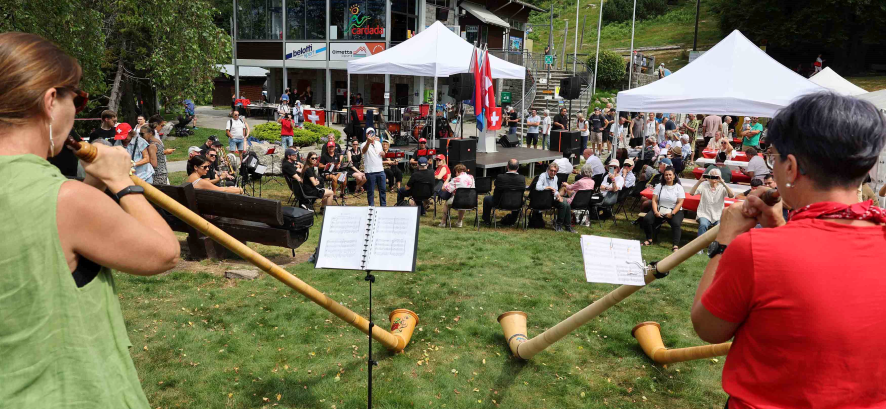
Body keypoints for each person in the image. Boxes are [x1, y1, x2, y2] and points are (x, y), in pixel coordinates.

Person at [0, 33, 180, 408]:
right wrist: (118, 181)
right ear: (51, 101)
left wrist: (91, 190)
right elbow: (163, 254)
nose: (79, 110)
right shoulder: (63, 200)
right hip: (67, 392)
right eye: (77, 98)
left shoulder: (66, 199)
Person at [691, 92, 886, 409]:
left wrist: (724, 243)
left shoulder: (756, 250)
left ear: (791, 167)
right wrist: (784, 228)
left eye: (774, 158)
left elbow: (708, 327)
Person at [640, 166, 685, 250]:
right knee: (647, 219)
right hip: (660, 209)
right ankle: (649, 239)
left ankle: (675, 245)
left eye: (670, 175)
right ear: (664, 176)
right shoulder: (659, 186)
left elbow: (680, 203)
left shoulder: (679, 188)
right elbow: (654, 200)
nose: (668, 176)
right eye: (666, 175)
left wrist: (672, 213)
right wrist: (656, 212)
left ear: (674, 176)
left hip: (674, 210)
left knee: (676, 223)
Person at [689, 168, 735, 237]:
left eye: (716, 176)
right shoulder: (704, 186)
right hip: (704, 214)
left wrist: (723, 182)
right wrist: (699, 181)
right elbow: (691, 193)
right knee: (703, 225)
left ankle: (716, 246)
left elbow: (732, 195)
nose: (714, 178)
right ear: (708, 177)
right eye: (712, 176)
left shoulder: (722, 187)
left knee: (720, 226)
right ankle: (700, 246)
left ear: (719, 177)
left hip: (718, 215)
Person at [535, 163, 576, 232]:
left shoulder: (556, 177)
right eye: (551, 170)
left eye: (555, 171)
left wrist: (558, 196)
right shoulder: (543, 175)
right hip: (543, 199)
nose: (553, 172)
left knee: (567, 204)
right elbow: (538, 187)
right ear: (548, 170)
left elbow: (556, 190)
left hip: (552, 199)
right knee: (563, 204)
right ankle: (558, 225)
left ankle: (568, 226)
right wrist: (548, 187)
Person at [482, 159, 524, 225]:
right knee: (518, 199)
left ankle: (486, 220)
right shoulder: (522, 178)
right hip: (517, 203)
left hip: (500, 203)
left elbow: (496, 184)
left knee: (486, 199)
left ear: (507, 166)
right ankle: (513, 220)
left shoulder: (500, 177)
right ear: (518, 167)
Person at [360, 127, 386, 206]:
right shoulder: (363, 144)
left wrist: (383, 153)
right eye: (369, 133)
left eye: (372, 133)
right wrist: (368, 142)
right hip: (370, 171)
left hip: (380, 170)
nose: (371, 135)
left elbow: (383, 153)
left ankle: (383, 207)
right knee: (371, 191)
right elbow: (363, 151)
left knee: (383, 190)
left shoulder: (378, 143)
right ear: (366, 135)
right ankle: (371, 207)